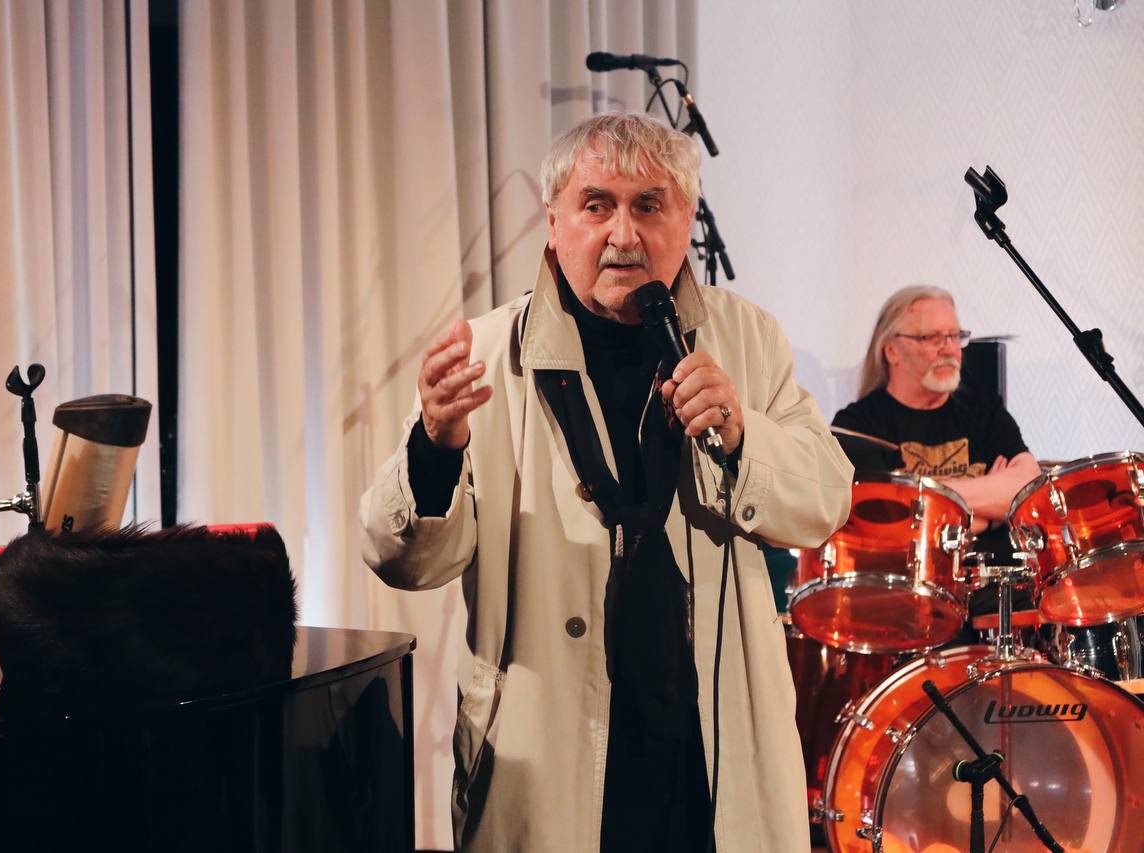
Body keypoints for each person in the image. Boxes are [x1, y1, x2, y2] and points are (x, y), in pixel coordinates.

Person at [361, 112, 853, 852]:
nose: (624, 234)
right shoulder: (487, 354)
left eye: (649, 205)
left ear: (686, 219)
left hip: (708, 747)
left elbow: (826, 499)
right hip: (550, 753)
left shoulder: (747, 338)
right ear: (553, 221)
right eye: (597, 205)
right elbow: (404, 560)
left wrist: (741, 433)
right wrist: (435, 446)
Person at [832, 285, 1041, 557]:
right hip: (908, 579)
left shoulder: (985, 411)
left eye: (955, 336)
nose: (950, 349)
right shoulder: (857, 426)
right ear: (892, 351)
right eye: (931, 338)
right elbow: (889, 526)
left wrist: (915, 496)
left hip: (994, 579)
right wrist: (990, 516)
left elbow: (1028, 491)